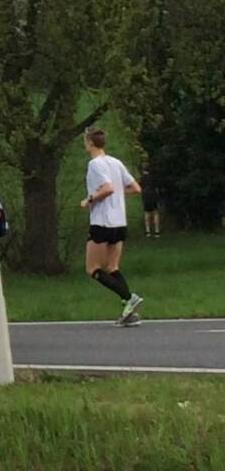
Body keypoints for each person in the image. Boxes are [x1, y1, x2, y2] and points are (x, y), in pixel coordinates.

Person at [81, 128, 144, 326]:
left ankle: (129, 297)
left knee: (92, 268)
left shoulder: (95, 164)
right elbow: (135, 187)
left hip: (102, 221)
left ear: (90, 143)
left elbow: (107, 188)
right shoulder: (116, 162)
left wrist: (89, 199)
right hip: (119, 222)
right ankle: (128, 310)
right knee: (112, 267)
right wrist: (118, 193)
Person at [140, 166, 162, 238]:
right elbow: (157, 188)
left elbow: (140, 188)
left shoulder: (142, 178)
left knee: (146, 213)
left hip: (146, 197)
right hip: (153, 196)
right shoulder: (153, 178)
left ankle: (148, 231)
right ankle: (157, 231)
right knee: (155, 213)